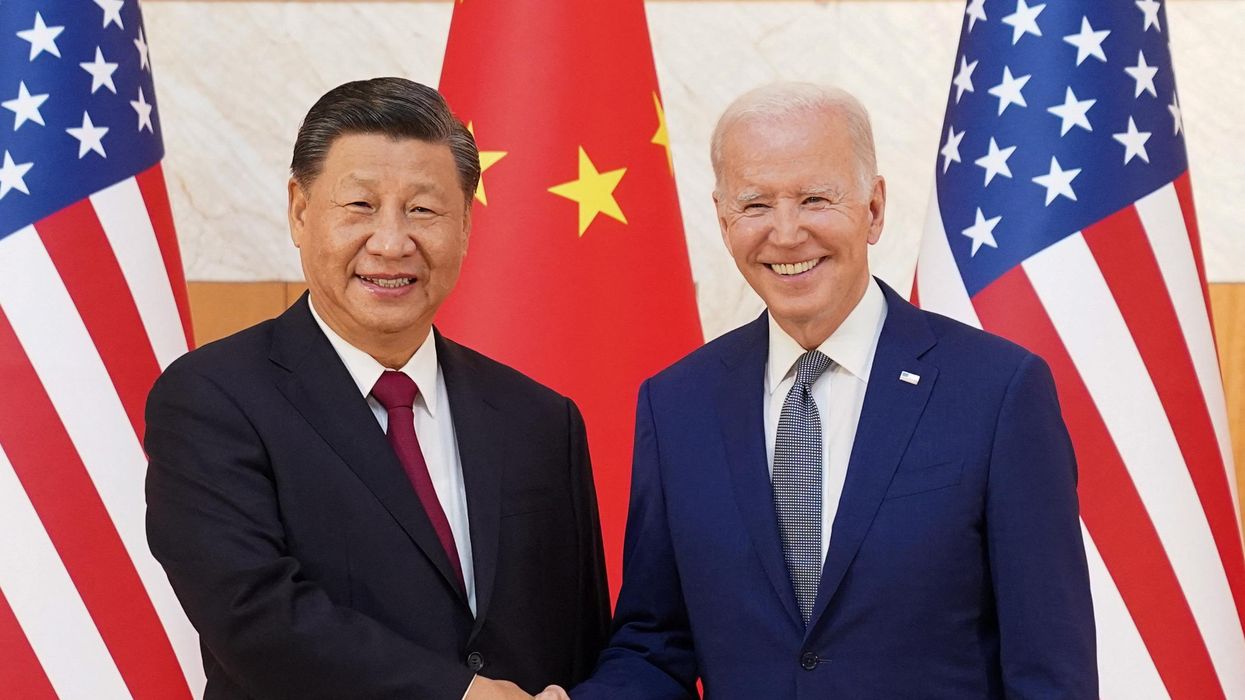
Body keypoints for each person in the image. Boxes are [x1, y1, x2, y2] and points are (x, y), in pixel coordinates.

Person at [561, 82, 1097, 699]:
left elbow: (1050, 671)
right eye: (756, 204)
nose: (786, 235)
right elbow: (657, 646)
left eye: (815, 199)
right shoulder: (677, 403)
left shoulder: (998, 391)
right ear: (721, 216)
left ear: (874, 209)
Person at [145, 78, 609, 700]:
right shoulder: (211, 399)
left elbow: (577, 639)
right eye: (360, 206)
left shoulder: (541, 419)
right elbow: (254, 619)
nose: (391, 243)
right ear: (300, 212)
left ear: (467, 224)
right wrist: (460, 694)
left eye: (423, 210)